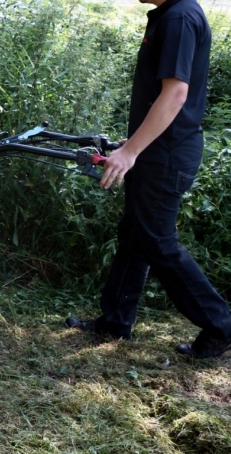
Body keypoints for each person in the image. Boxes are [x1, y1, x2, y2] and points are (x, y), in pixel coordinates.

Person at [65, 0, 231, 358]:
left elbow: (175, 94)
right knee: (135, 234)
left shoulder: (180, 17)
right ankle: (115, 321)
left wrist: (131, 151)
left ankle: (221, 324)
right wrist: (136, 142)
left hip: (168, 155)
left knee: (156, 239)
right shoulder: (172, 14)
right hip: (160, 148)